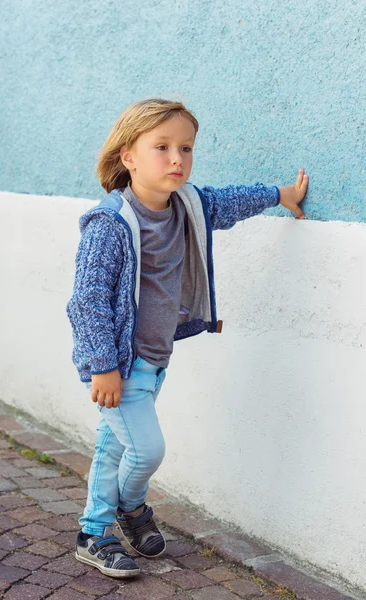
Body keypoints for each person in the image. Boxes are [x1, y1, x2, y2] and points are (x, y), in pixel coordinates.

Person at [66, 98, 309, 579]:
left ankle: (93, 532)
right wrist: (103, 366)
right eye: (162, 147)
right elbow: (87, 300)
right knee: (146, 450)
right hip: (120, 363)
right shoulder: (110, 224)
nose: (177, 158)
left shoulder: (188, 206)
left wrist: (280, 193)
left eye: (186, 148)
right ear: (128, 156)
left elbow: (229, 200)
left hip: (157, 360)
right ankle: (130, 510)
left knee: (114, 449)